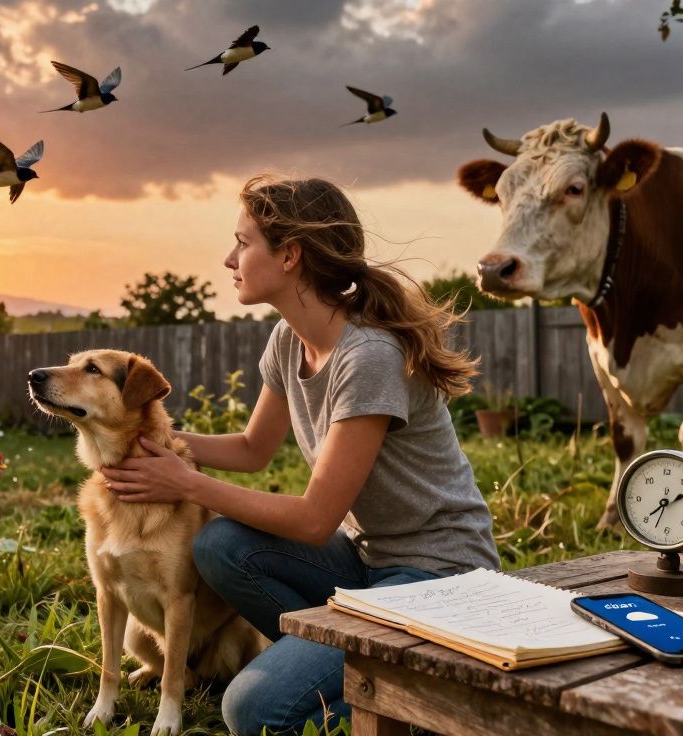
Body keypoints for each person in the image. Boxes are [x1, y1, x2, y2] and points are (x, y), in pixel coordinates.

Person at [100, 175, 501, 735]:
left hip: (439, 579)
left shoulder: (369, 358)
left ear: (289, 256)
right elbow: (251, 449)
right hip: (368, 565)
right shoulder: (289, 342)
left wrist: (185, 483)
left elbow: (315, 520)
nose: (228, 257)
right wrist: (154, 448)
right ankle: (337, 659)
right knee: (219, 544)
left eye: (243, 242)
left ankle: (435, 700)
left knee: (253, 711)